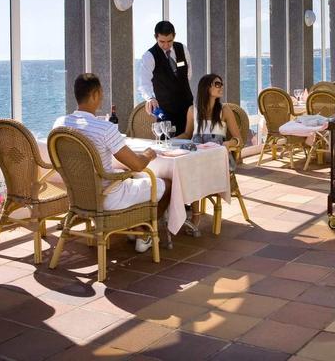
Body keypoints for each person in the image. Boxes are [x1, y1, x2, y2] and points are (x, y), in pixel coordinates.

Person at [54, 73, 171, 253]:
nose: (102, 96)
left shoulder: (60, 124)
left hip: (79, 196)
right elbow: (138, 165)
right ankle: (145, 233)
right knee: (166, 184)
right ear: (95, 94)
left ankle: (135, 228)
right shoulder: (105, 128)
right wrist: (149, 154)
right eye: (101, 93)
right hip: (107, 198)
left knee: (128, 174)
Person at [138, 20, 194, 136]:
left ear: (174, 36)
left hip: (187, 108)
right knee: (168, 147)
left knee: (190, 144)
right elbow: (143, 83)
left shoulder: (182, 49)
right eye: (162, 41)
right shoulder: (149, 56)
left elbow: (188, 73)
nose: (166, 45)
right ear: (155, 37)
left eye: (169, 41)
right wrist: (150, 98)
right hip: (166, 111)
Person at [181, 74, 241, 170]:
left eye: (222, 84)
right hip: (196, 158)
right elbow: (187, 134)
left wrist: (228, 143)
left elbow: (238, 139)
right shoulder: (192, 110)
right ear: (206, 87)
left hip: (217, 159)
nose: (221, 87)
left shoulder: (225, 110)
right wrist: (169, 140)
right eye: (218, 84)